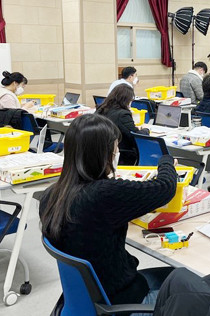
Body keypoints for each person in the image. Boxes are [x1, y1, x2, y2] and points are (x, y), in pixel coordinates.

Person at [39, 114, 177, 307]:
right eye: (115, 147)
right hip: (121, 301)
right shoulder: (104, 193)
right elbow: (165, 187)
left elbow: (93, 222)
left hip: (86, 298)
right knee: (192, 285)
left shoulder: (51, 195)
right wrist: (166, 162)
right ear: (102, 154)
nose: (117, 152)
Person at [96, 84, 149, 165]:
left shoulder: (101, 109)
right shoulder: (123, 114)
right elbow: (134, 136)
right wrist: (145, 130)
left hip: (102, 151)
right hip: (122, 154)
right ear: (126, 100)